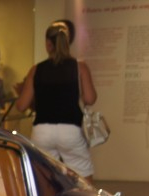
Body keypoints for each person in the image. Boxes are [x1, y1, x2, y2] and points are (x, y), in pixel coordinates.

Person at [15, 21, 97, 183]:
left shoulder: (36, 69)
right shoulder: (79, 67)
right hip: (70, 129)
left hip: (42, 130)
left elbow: (21, 105)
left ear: (48, 44)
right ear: (67, 42)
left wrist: (21, 92)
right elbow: (90, 98)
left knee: (45, 176)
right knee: (83, 174)